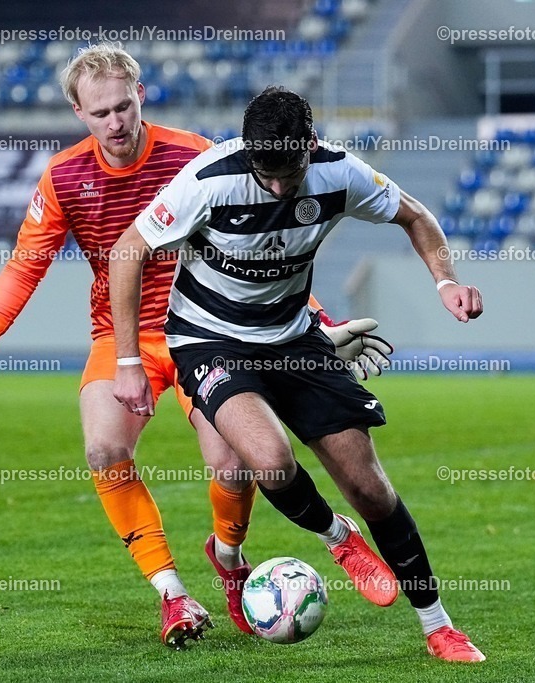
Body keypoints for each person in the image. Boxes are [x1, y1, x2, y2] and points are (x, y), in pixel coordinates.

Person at [0, 45, 393, 649]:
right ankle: (174, 595)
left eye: (124, 106)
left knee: (234, 463)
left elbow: (266, 250)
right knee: (103, 449)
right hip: (121, 338)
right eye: (101, 113)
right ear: (78, 112)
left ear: (141, 95)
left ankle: (228, 560)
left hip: (208, 334)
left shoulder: (195, 155)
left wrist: (315, 323)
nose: (116, 122)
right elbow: (25, 267)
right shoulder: (66, 177)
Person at [110, 87, 486, 662]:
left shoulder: (339, 172)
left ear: (311, 145)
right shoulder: (209, 179)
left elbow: (416, 216)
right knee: (269, 460)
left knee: (371, 488)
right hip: (211, 340)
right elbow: (127, 250)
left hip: (294, 338)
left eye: (291, 173)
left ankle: (439, 627)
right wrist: (130, 361)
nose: (281, 188)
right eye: (268, 174)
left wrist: (446, 281)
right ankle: (338, 539)